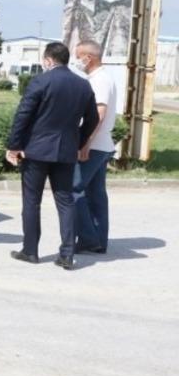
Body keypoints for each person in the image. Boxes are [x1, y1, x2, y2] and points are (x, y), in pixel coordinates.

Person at [5, 41, 100, 270]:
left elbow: (23, 115)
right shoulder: (83, 85)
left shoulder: (41, 81)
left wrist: (14, 146)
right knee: (65, 201)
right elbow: (93, 119)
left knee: (31, 201)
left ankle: (30, 251)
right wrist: (78, 142)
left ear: (48, 60)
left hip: (36, 150)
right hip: (66, 152)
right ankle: (67, 254)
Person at [71, 40, 117, 255]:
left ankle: (89, 238)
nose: (76, 60)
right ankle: (98, 240)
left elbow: (99, 114)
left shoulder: (99, 80)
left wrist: (85, 144)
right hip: (102, 144)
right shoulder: (102, 78)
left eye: (78, 56)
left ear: (88, 58)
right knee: (96, 193)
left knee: (73, 190)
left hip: (95, 145)